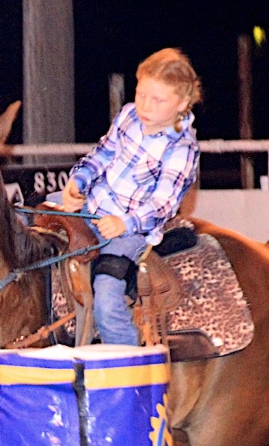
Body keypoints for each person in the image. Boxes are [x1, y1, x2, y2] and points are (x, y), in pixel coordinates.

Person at [61, 47, 202, 344]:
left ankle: (127, 366)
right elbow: (102, 154)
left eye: (158, 99)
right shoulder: (128, 116)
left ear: (183, 103)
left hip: (132, 231)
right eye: (141, 95)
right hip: (94, 205)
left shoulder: (182, 148)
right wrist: (78, 182)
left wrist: (126, 223)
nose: (145, 105)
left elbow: (163, 204)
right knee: (28, 218)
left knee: (108, 296)